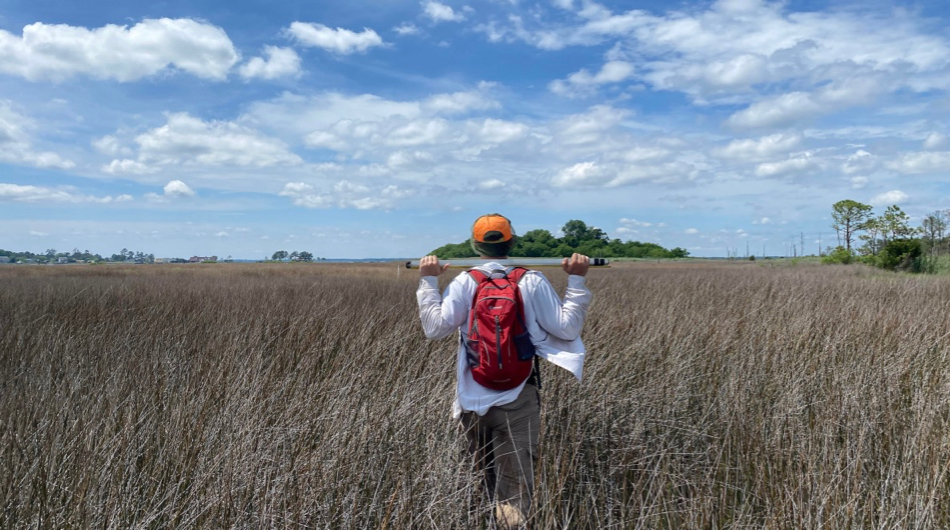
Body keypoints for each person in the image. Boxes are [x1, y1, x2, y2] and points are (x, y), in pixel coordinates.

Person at [416, 213, 592, 528]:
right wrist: (576, 279)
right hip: (519, 397)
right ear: (512, 241)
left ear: (475, 244)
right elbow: (567, 329)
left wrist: (428, 280)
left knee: (478, 484)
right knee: (513, 492)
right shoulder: (532, 279)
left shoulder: (465, 280)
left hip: (472, 400)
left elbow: (434, 329)